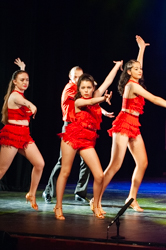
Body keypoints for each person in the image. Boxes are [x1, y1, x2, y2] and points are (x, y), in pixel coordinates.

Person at [96, 35, 166, 213]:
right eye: (135, 69)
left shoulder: (134, 81)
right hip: (124, 123)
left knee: (142, 162)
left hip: (134, 123)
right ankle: (96, 200)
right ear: (129, 72)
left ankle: (131, 198)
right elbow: (153, 98)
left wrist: (142, 49)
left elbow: (138, 65)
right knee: (115, 165)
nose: (139, 70)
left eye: (140, 68)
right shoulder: (132, 86)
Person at [54, 60, 123, 220]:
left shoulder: (96, 95)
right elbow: (90, 101)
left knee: (99, 175)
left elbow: (108, 81)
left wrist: (116, 66)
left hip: (87, 140)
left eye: (88, 87)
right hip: (72, 136)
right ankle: (58, 206)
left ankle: (96, 204)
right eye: (83, 87)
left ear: (93, 88)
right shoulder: (77, 100)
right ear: (78, 89)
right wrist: (102, 100)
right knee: (65, 171)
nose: (86, 90)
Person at [0, 69, 45, 210]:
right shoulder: (15, 96)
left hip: (24, 134)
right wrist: (32, 106)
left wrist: (23, 68)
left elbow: (22, 95)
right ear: (14, 82)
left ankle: (31, 194)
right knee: (1, 169)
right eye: (22, 80)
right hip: (13, 133)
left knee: (39, 163)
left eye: (27, 80)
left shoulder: (19, 93)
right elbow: (27, 103)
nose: (25, 82)